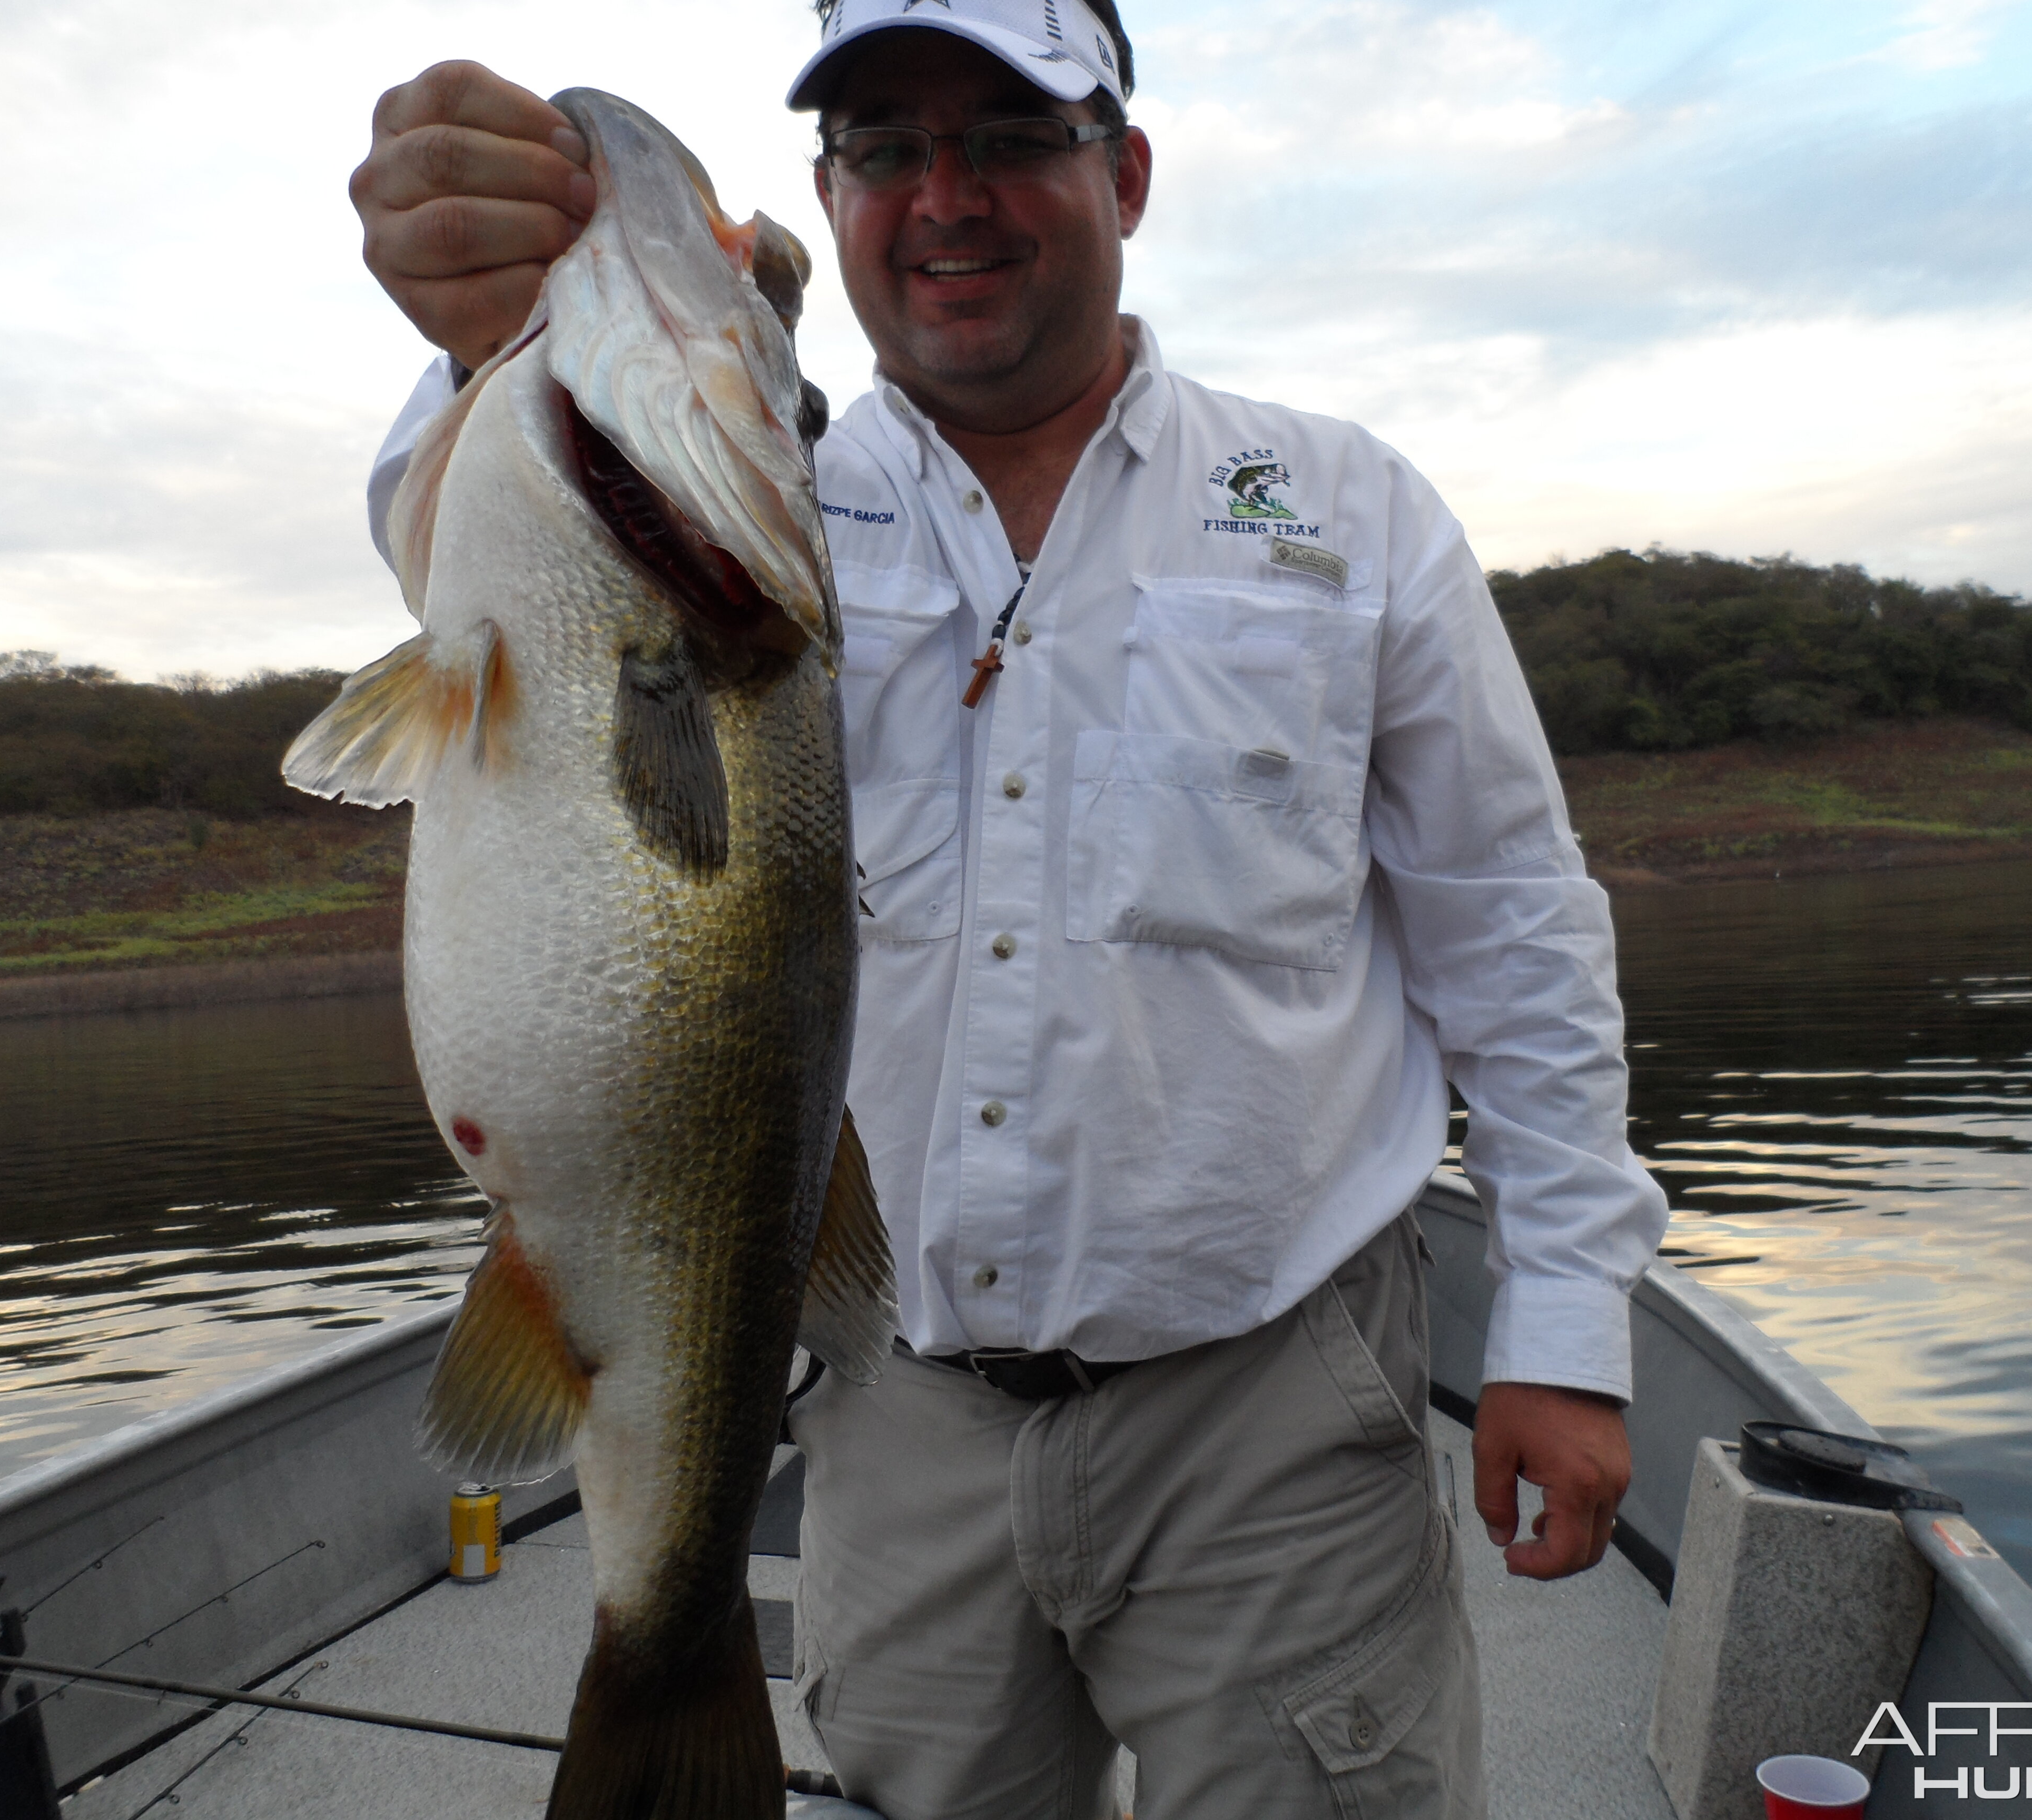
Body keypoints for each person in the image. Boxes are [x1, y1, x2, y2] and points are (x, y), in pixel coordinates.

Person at [349, 2, 1669, 1813]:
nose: (945, 196)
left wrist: (1567, 1335)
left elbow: (1516, 937)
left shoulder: (1348, 509)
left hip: (1277, 1415)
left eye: (1012, 136)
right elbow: (467, 547)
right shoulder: (751, 481)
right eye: (886, 147)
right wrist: (483, 329)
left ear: (1124, 171)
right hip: (897, 1421)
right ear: (829, 192)